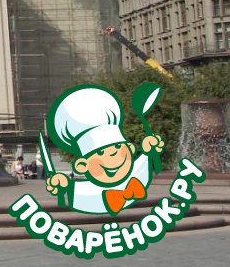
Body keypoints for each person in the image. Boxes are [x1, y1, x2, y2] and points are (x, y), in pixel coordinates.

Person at [44, 85, 164, 215]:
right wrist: (62, 186)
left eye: (117, 147)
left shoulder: (137, 172)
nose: (113, 155)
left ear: (130, 148)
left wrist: (150, 150)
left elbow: (147, 160)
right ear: (82, 166)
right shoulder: (87, 192)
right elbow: (68, 191)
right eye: (101, 152)